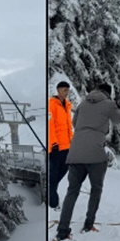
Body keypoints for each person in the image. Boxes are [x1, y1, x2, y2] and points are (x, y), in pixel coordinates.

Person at [53, 82, 120, 241]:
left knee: (72, 191)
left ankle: (62, 230)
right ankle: (88, 224)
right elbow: (119, 119)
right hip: (95, 153)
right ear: (108, 93)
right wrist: (119, 107)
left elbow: (74, 123)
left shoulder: (83, 103)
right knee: (96, 189)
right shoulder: (108, 103)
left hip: (75, 152)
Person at [48, 81, 73, 211]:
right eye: (63, 90)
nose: (65, 93)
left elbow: (68, 127)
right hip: (56, 147)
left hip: (67, 146)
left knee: (63, 171)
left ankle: (50, 192)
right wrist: (53, 143)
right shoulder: (52, 104)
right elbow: (50, 125)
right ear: (58, 90)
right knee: (53, 176)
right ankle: (53, 203)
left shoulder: (67, 105)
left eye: (67, 90)